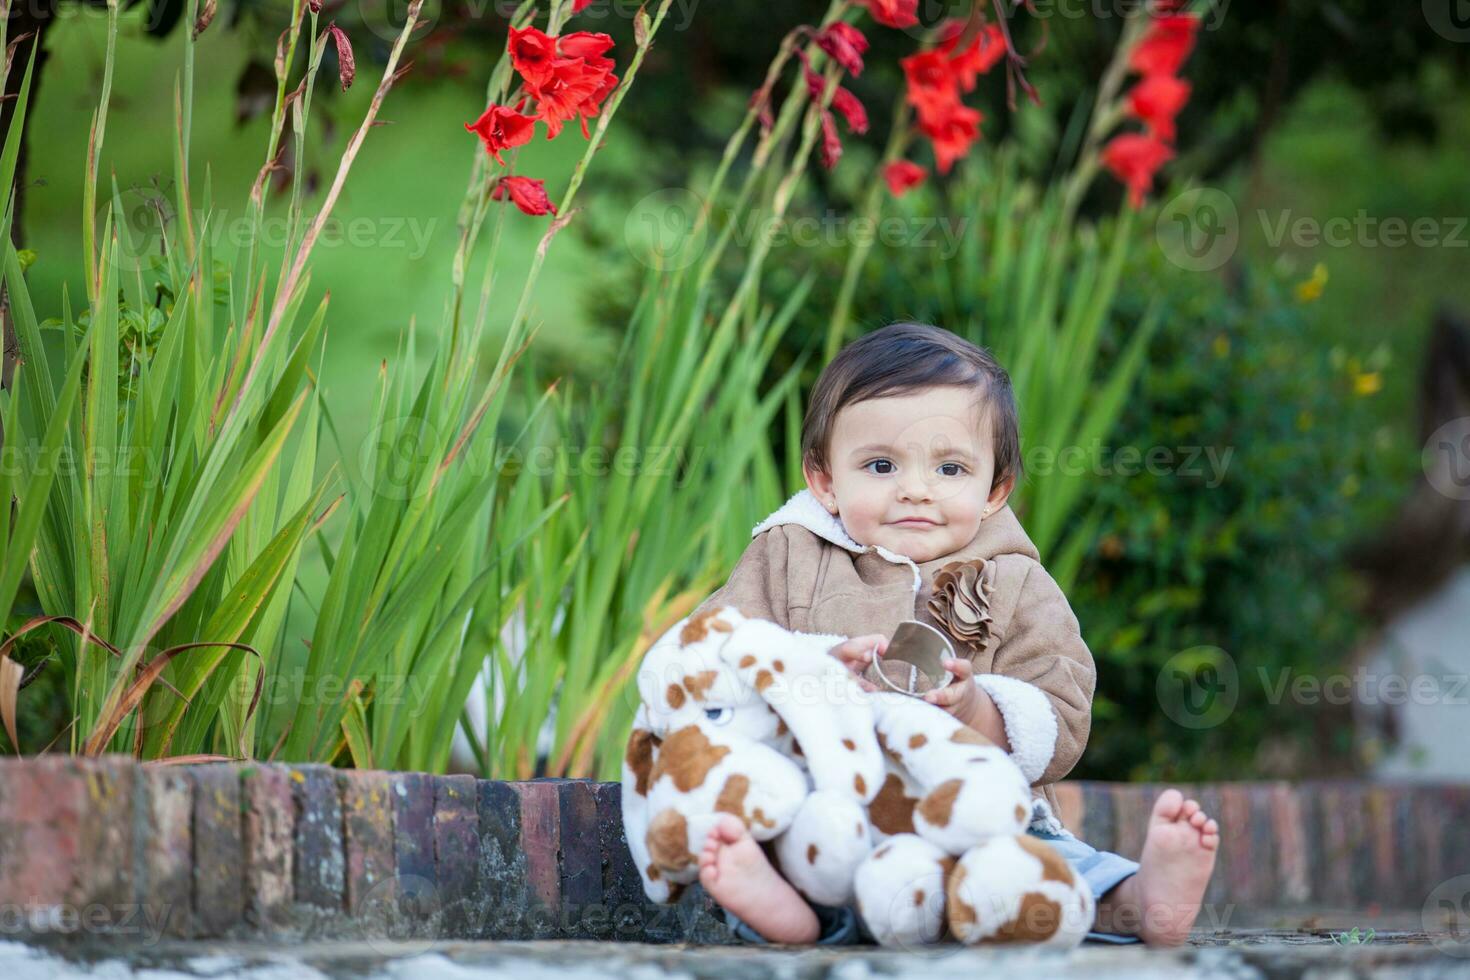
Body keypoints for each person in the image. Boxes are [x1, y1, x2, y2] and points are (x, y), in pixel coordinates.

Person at [687, 322, 1219, 946]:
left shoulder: (1017, 581)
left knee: (1036, 868)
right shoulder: (786, 557)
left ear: (994, 489)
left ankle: (1130, 900)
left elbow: (1062, 709)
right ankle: (788, 913)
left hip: (980, 816)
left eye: (950, 467)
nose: (916, 489)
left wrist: (979, 708)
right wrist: (814, 666)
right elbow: (709, 657)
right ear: (825, 478)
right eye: (881, 465)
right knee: (797, 851)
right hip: (834, 811)